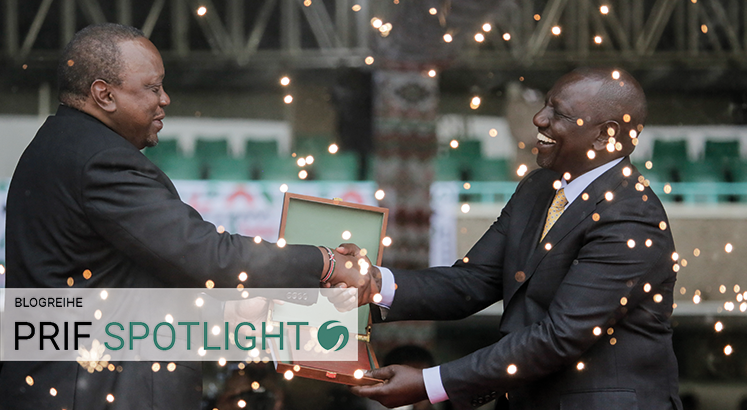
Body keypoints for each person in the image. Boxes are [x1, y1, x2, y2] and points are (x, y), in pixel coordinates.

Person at [0, 23, 377, 409]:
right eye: (152, 87)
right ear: (103, 94)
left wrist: (227, 306)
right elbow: (205, 254)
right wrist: (326, 263)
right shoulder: (100, 160)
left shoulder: (61, 145)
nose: (164, 99)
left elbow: (117, 288)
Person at [351, 68, 683, 410]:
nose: (539, 119)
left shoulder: (632, 215)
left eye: (560, 113)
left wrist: (430, 383)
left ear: (605, 135)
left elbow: (560, 336)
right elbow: (471, 281)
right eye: (545, 106)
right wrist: (373, 283)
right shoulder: (538, 188)